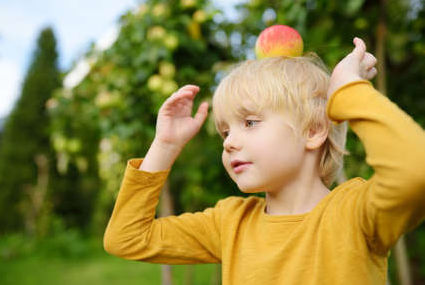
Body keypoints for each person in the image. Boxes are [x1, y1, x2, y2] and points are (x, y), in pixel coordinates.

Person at [103, 37, 425, 284]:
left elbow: (416, 169)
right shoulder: (230, 224)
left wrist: (349, 90)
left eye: (250, 123)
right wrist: (165, 145)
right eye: (225, 131)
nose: (229, 143)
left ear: (313, 130)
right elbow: (126, 238)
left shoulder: (356, 214)